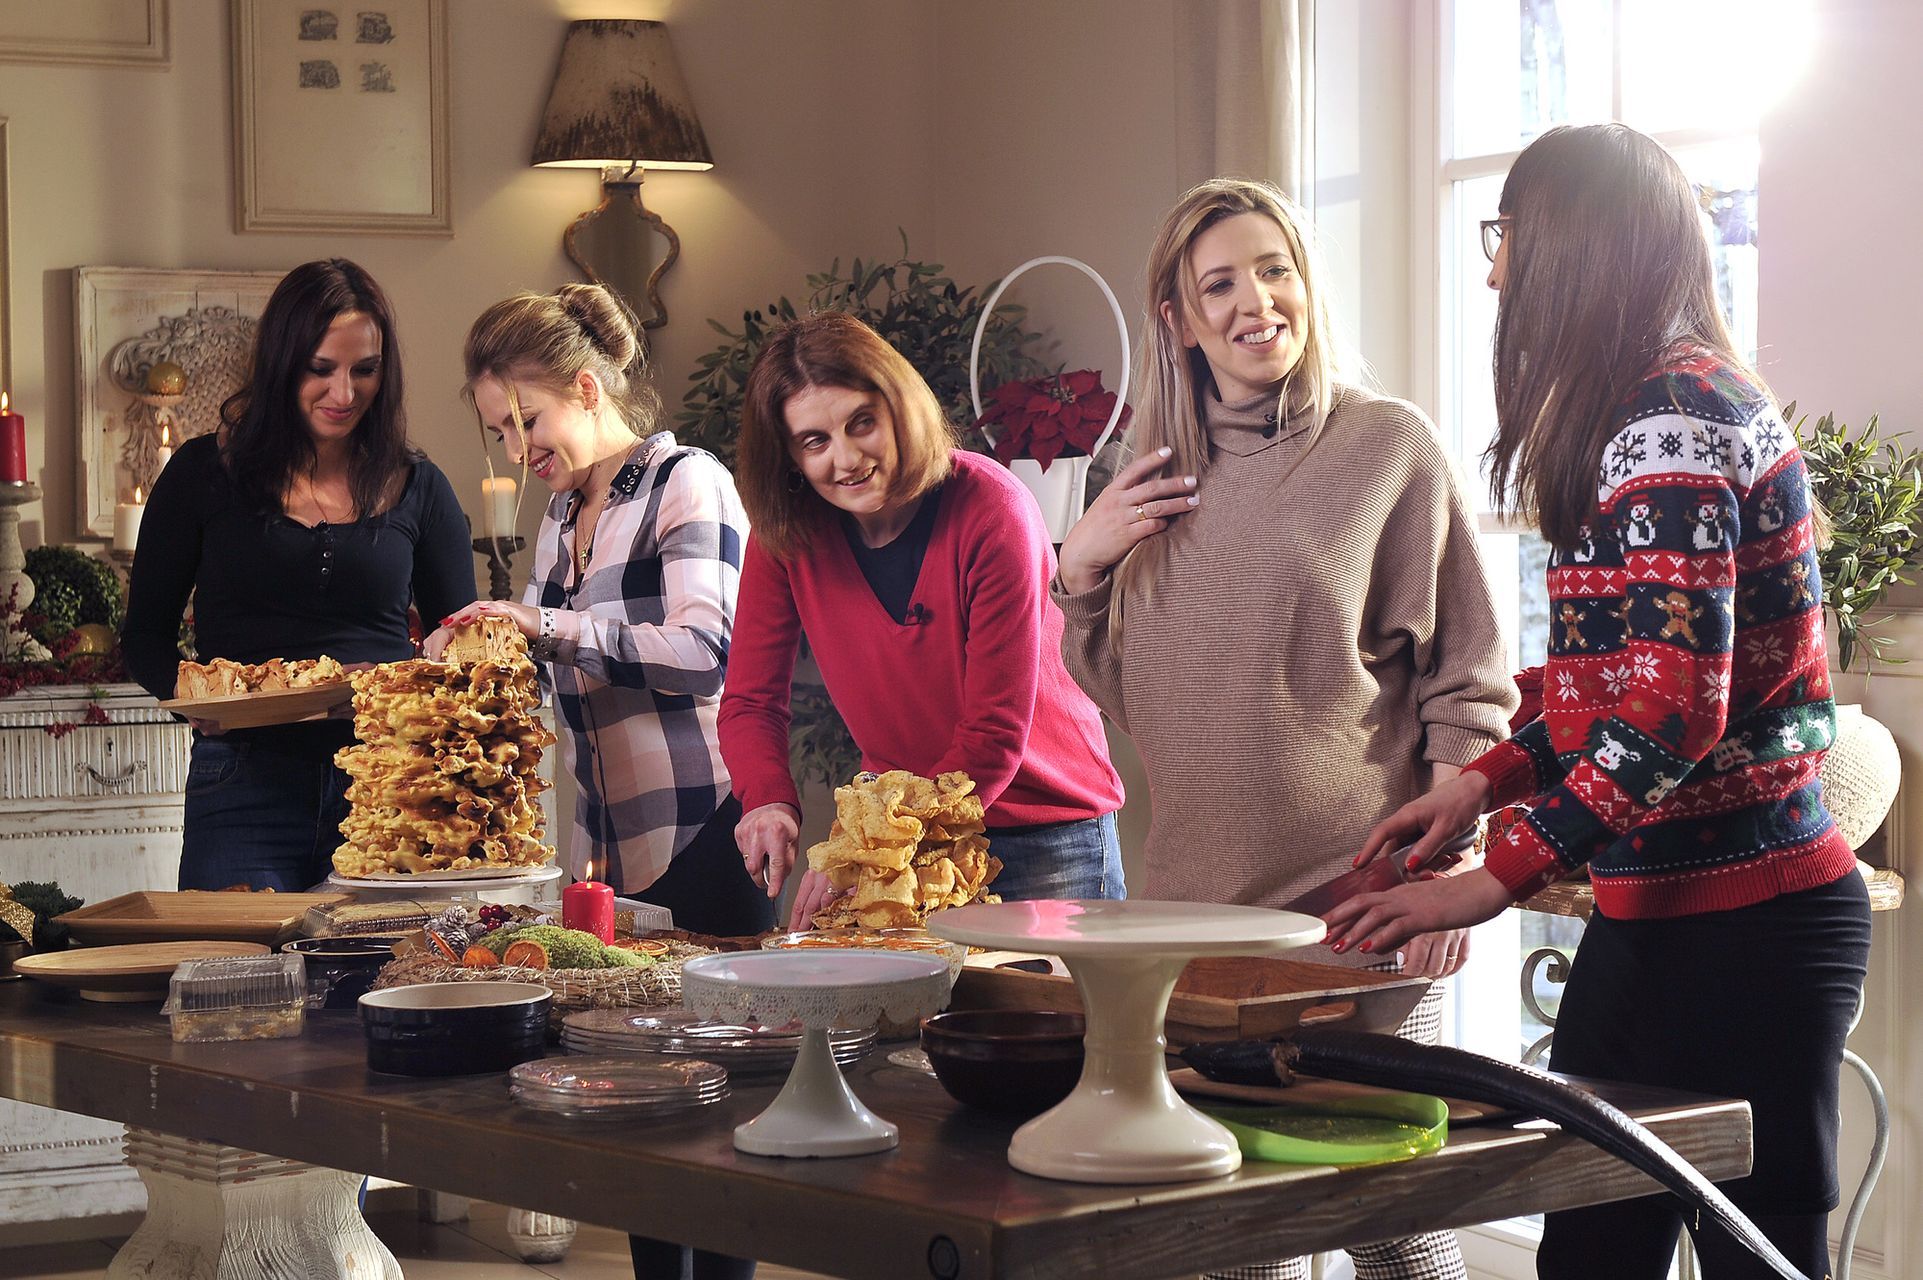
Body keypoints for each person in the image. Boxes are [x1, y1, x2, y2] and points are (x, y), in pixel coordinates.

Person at [1325, 124, 1869, 1280]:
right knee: (1589, 1248)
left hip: (1750, 932)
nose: (1493, 269)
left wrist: (1492, 874)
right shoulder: (1654, 407)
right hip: (1663, 919)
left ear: (1574, 243)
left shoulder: (1673, 421)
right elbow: (1615, 682)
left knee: (1752, 1255)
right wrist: (1484, 777)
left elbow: (1672, 711)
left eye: (1507, 235)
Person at [1052, 178, 1516, 1280]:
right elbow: (1126, 691)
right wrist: (1079, 567)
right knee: (1229, 1223)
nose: (1258, 301)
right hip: (1195, 922)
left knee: (1394, 1221)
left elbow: (1468, 673)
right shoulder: (1145, 482)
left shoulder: (1387, 447)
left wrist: (1450, 863)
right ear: (1178, 315)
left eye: (1276, 269)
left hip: (1362, 911)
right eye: (1222, 281)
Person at [424, 283, 763, 1280]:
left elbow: (708, 650)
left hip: (709, 834)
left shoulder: (686, 481)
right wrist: (472, 644)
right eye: (497, 430)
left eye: (523, 419)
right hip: (610, 856)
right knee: (641, 1119)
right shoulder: (563, 514)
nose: (514, 445)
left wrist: (544, 624)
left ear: (584, 385)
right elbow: (540, 654)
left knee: (720, 1118)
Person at [719, 311, 1126, 929]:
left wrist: (867, 848)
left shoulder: (993, 508)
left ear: (899, 409)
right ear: (789, 458)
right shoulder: (786, 535)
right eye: (815, 441)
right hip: (902, 830)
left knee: (1069, 1025)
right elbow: (749, 700)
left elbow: (992, 736)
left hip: (1047, 833)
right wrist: (767, 799)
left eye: (862, 423)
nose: (847, 458)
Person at [122, 258, 474, 892]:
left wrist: (416, 677)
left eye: (364, 370)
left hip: (390, 783)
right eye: (321, 369)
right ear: (283, 363)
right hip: (242, 780)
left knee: (387, 982)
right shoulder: (202, 474)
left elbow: (465, 651)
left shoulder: (420, 486)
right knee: (230, 981)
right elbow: (144, 636)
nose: (345, 394)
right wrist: (193, 699)